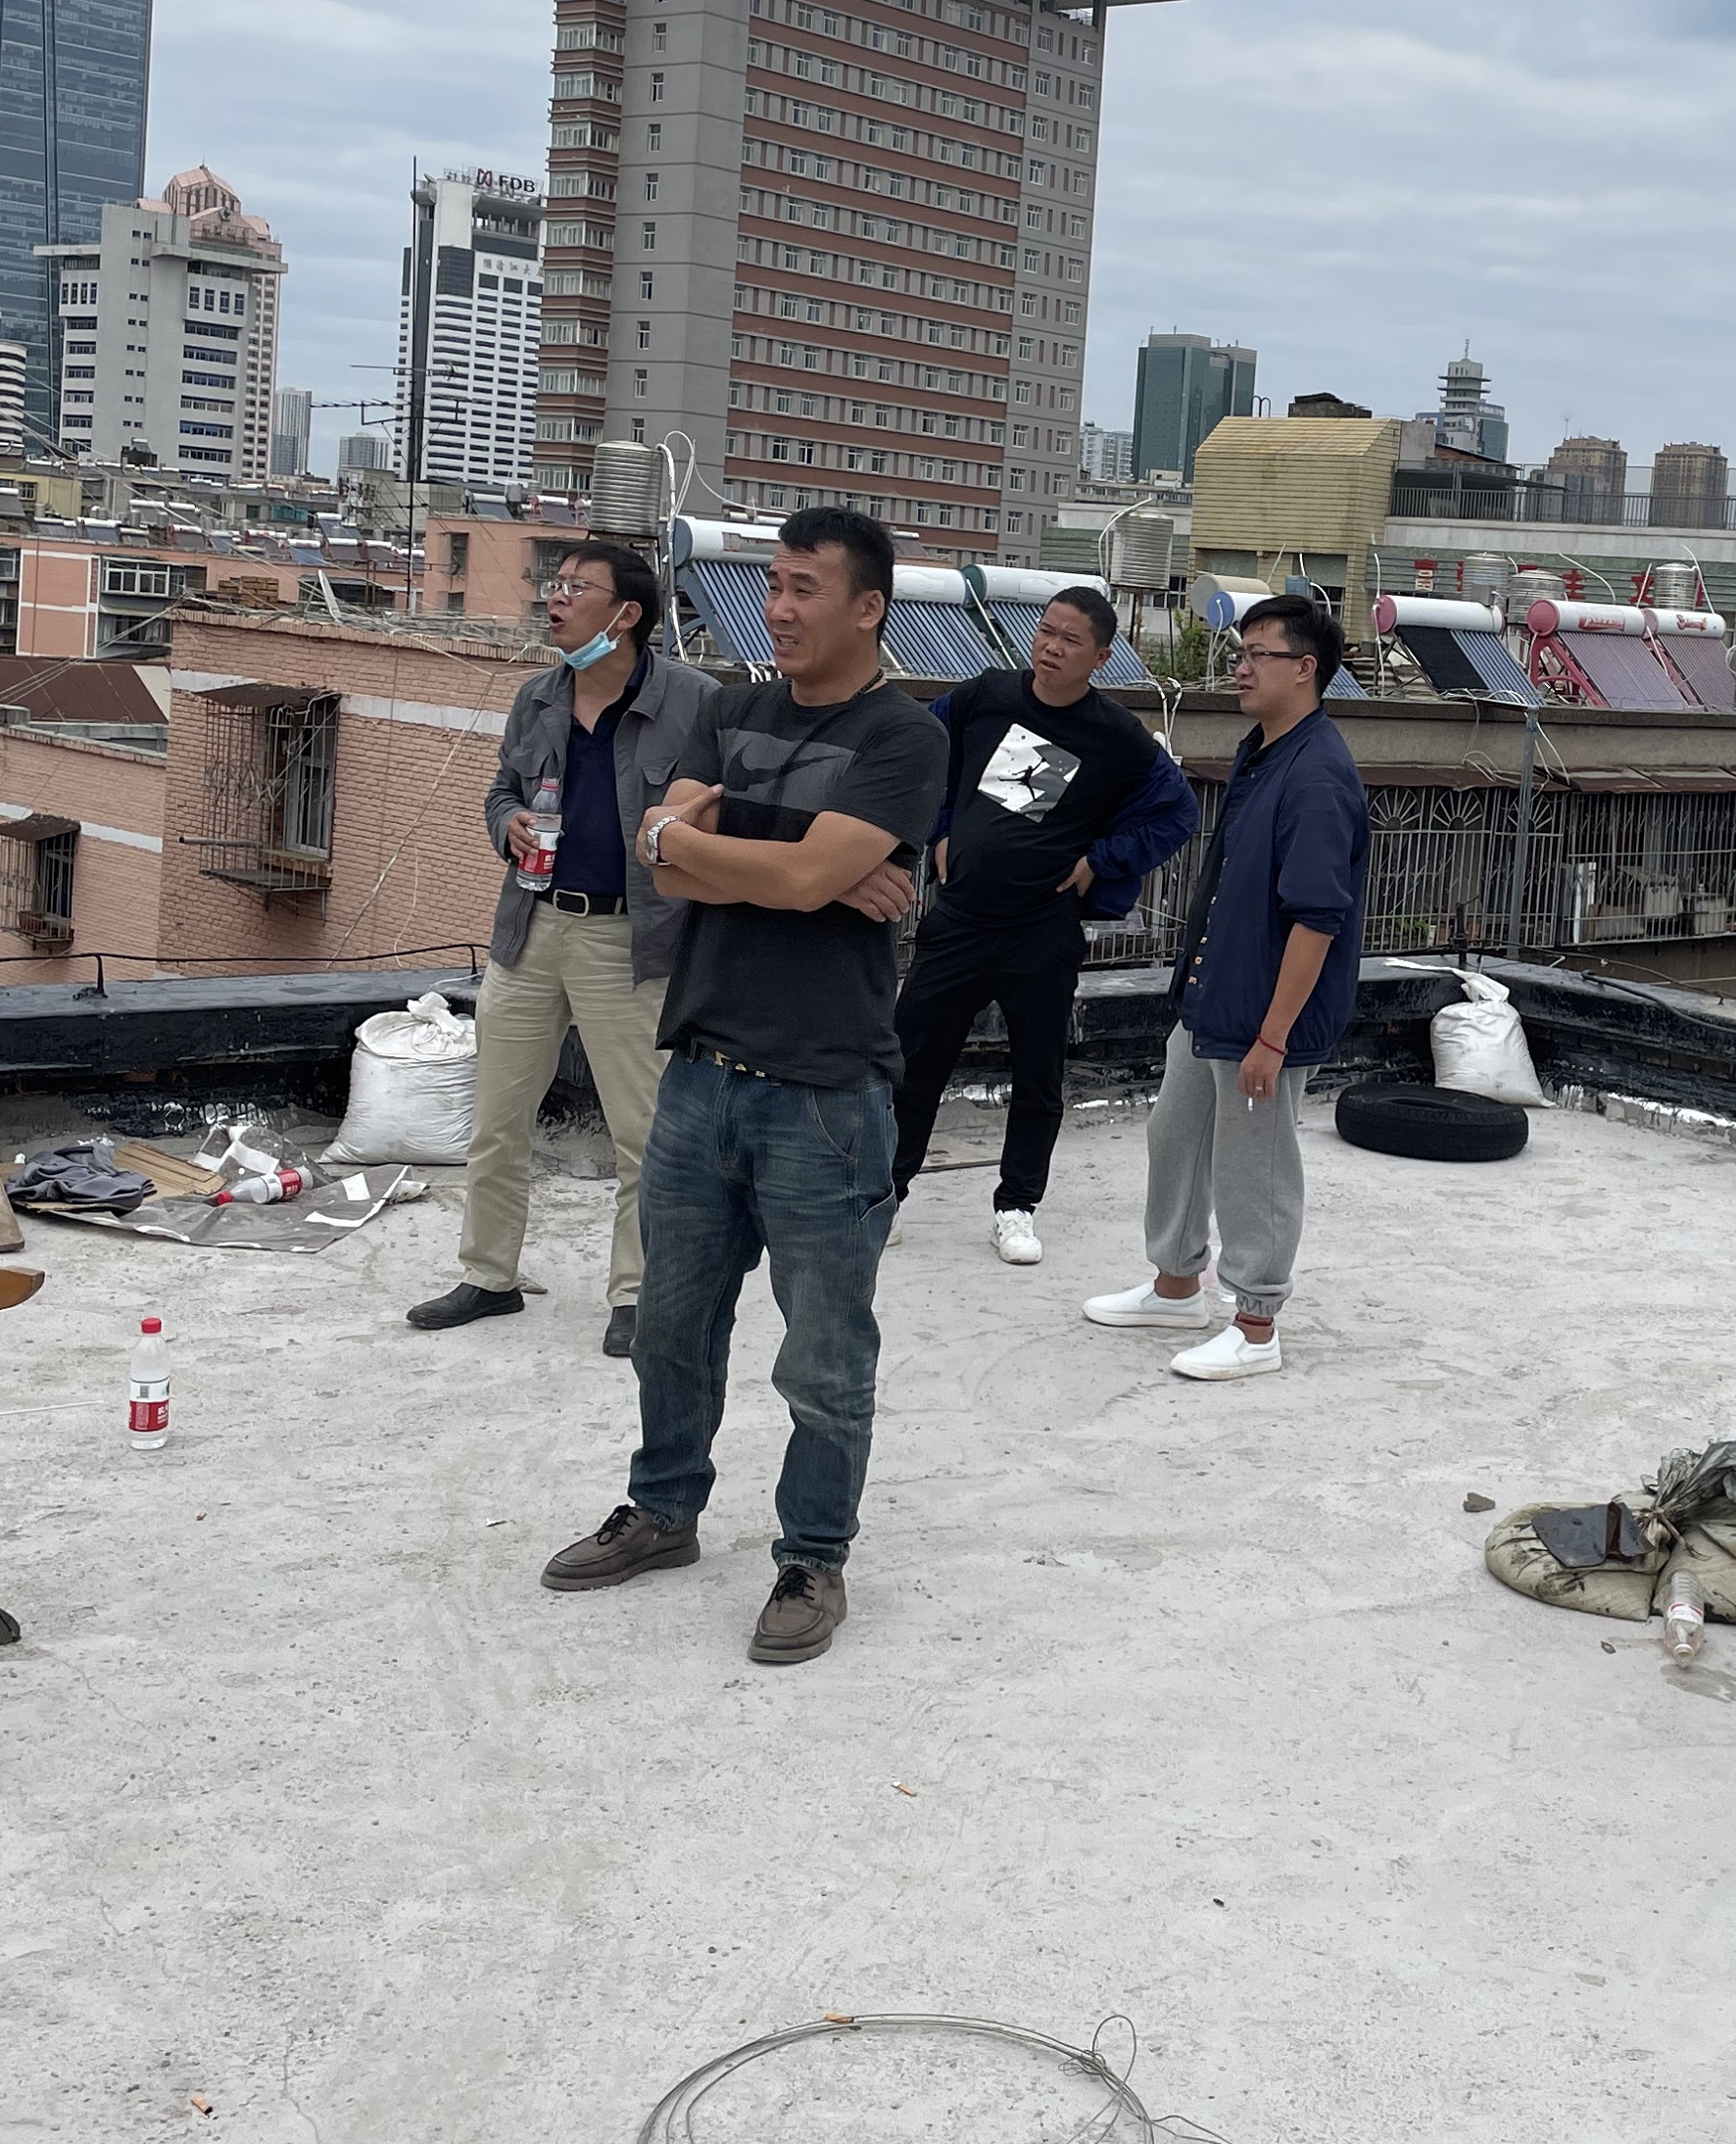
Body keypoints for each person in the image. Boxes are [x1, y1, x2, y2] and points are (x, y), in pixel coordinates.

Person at [539, 507, 940, 1670]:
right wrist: (795, 867)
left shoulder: (905, 737)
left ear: (867, 607)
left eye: (805, 587)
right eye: (773, 584)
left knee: (822, 1355)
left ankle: (812, 1557)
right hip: (701, 1071)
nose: (778, 607)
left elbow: (773, 867)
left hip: (824, 1093)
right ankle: (663, 1511)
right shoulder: (731, 707)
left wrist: (747, 857)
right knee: (671, 1328)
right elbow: (663, 850)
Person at [410, 540, 714, 1360]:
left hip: (632, 939)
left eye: (578, 587)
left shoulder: (694, 702)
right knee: (497, 1119)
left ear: (627, 614)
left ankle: (638, 1293)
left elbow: (724, 808)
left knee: (643, 1134)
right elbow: (501, 790)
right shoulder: (538, 697)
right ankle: (489, 1276)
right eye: (556, 583)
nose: (556, 598)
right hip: (532, 926)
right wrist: (505, 822)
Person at [1077, 592, 1369, 1382]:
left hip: (1263, 1013)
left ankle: (1256, 1324)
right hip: (1213, 994)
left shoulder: (1317, 775)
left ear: (1305, 669)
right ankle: (1176, 1285)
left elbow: (1318, 919)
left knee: (1254, 1168)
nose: (1239, 668)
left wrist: (1273, 1036)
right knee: (1174, 1135)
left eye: (1257, 655)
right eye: (1239, 653)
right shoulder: (1264, 750)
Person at [889, 584, 1199, 1263]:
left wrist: (1101, 861)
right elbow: (921, 747)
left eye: (1069, 640)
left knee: (1038, 1076)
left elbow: (1179, 812)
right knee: (911, 1063)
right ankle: (884, 1195)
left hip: (1041, 929)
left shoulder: (1114, 734)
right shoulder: (987, 695)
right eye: (1045, 631)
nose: (1051, 647)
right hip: (960, 918)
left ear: (1101, 657)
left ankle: (1017, 1207)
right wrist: (940, 829)